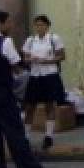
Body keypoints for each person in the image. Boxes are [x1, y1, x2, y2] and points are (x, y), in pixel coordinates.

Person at [0, 11, 55, 168]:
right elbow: (16, 64)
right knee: (15, 131)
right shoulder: (5, 42)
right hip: (2, 91)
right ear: (0, 24)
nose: (11, 26)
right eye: (8, 22)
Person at [22, 14, 67, 150]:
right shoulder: (30, 40)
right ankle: (26, 136)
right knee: (30, 106)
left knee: (50, 105)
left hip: (50, 74)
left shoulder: (54, 38)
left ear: (47, 26)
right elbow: (25, 57)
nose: (39, 27)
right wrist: (30, 59)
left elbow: (62, 55)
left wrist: (46, 60)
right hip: (35, 75)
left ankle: (48, 136)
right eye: (37, 25)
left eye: (42, 24)